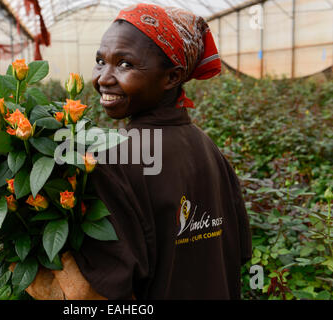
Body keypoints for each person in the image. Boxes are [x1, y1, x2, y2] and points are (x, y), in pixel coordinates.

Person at [22, 3, 252, 300]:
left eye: (125, 64)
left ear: (171, 77)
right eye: (100, 61)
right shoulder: (209, 148)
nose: (104, 77)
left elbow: (103, 292)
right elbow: (238, 252)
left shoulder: (114, 158)